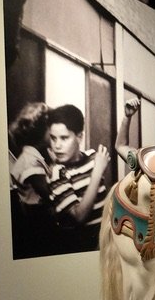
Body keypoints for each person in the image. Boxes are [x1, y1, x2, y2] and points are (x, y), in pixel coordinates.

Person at [45, 104, 111, 251]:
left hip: (104, 242)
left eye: (64, 138)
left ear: (79, 137)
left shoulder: (93, 158)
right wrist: (98, 171)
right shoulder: (57, 173)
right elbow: (79, 217)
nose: (57, 145)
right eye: (53, 138)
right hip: (80, 249)